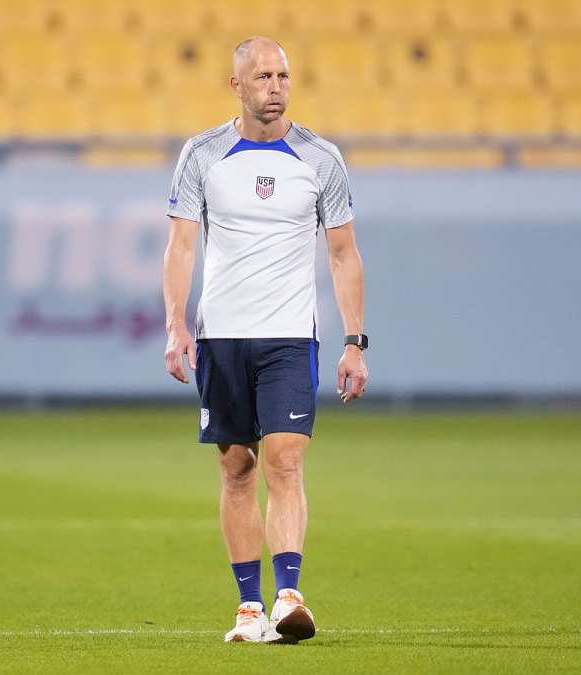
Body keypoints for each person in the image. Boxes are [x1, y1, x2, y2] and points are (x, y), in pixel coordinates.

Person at [162, 36, 369, 644]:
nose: (275, 87)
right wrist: (176, 323)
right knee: (236, 467)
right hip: (222, 336)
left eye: (283, 75)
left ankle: (288, 597)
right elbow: (180, 246)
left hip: (287, 338)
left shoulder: (321, 160)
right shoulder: (201, 155)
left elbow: (343, 253)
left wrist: (355, 340)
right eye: (263, 77)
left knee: (285, 459)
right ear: (237, 85)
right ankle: (249, 610)